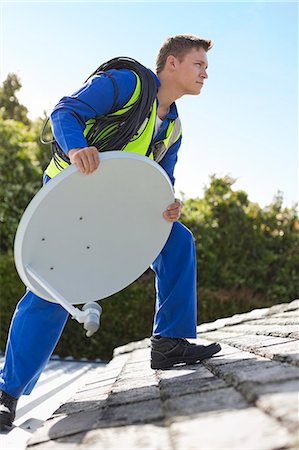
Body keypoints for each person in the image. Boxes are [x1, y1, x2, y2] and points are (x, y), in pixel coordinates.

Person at [0, 34, 221, 429]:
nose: (206, 72)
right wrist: (76, 148)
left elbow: (160, 182)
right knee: (53, 290)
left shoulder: (173, 127)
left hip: (115, 207)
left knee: (177, 239)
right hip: (70, 198)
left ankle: (169, 342)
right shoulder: (127, 82)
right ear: (172, 63)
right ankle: (6, 394)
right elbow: (65, 111)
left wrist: (168, 206)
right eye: (198, 64)